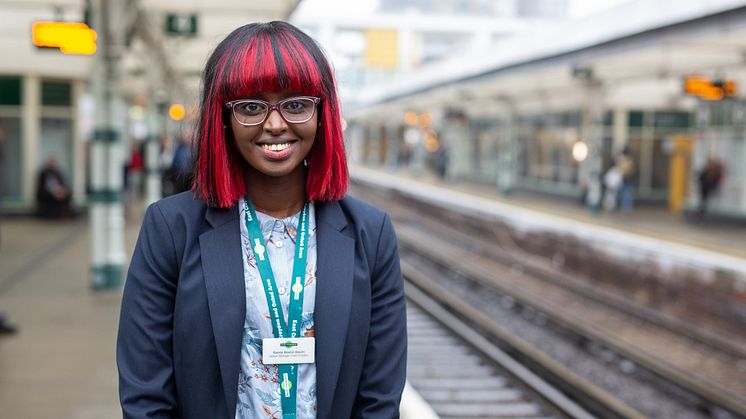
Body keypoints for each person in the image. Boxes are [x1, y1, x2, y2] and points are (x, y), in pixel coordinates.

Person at [117, 22, 407, 419]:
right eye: (251, 107)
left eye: (296, 104)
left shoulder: (370, 234)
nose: (275, 124)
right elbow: (146, 393)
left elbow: (379, 396)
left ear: (322, 114)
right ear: (223, 118)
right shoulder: (170, 228)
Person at [616, 147, 635, 213]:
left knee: (626, 195)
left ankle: (626, 208)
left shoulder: (627, 161)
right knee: (625, 194)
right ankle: (625, 208)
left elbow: (628, 171)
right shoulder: (627, 160)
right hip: (625, 180)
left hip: (626, 180)